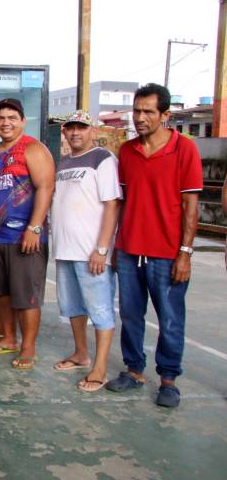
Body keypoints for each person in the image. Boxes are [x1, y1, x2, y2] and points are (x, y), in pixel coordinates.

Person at [105, 83, 203, 408]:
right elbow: (122, 203)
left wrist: (185, 254)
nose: (140, 117)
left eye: (148, 111)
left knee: (170, 320)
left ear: (165, 115)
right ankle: (134, 372)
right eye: (137, 111)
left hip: (167, 254)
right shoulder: (128, 152)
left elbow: (191, 207)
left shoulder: (184, 149)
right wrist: (117, 246)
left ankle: (169, 380)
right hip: (131, 250)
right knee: (131, 315)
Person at [0, 98, 55, 370]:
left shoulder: (34, 149)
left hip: (24, 238)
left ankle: (28, 348)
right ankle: (9, 339)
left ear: (23, 121)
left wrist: (34, 228)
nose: (6, 123)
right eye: (1, 118)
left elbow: (46, 188)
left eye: (12, 117)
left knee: (26, 296)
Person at [50, 111, 121, 392]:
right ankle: (81, 353)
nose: (75, 133)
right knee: (73, 308)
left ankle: (100, 367)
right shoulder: (64, 162)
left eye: (81, 128)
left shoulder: (103, 159)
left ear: (91, 130)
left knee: (100, 309)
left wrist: (102, 248)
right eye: (70, 128)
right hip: (65, 250)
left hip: (91, 252)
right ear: (64, 132)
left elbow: (112, 205)